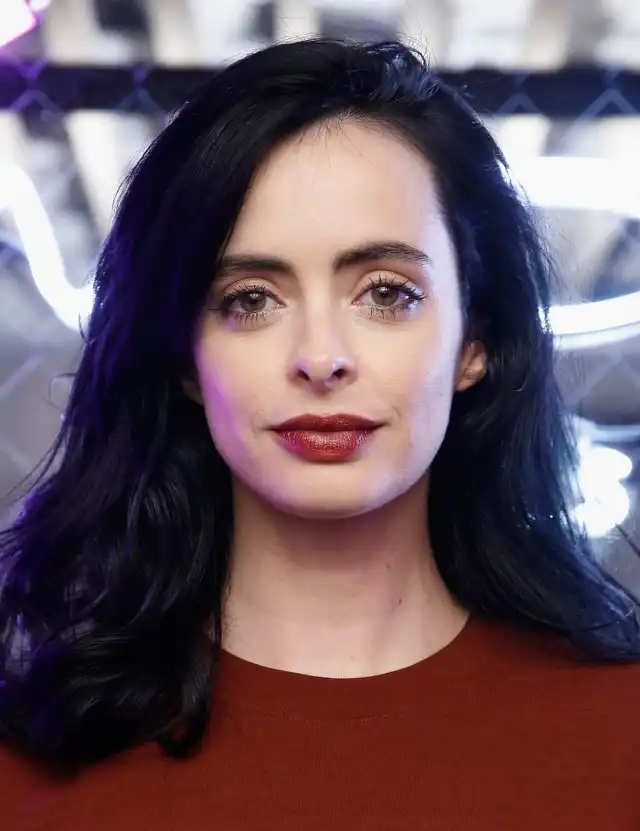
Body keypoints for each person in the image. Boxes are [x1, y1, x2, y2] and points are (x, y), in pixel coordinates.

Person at [0, 37, 638, 830]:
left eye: (387, 293)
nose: (321, 357)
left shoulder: (621, 740)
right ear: (185, 358)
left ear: (475, 340)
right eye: (250, 299)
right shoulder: (31, 773)